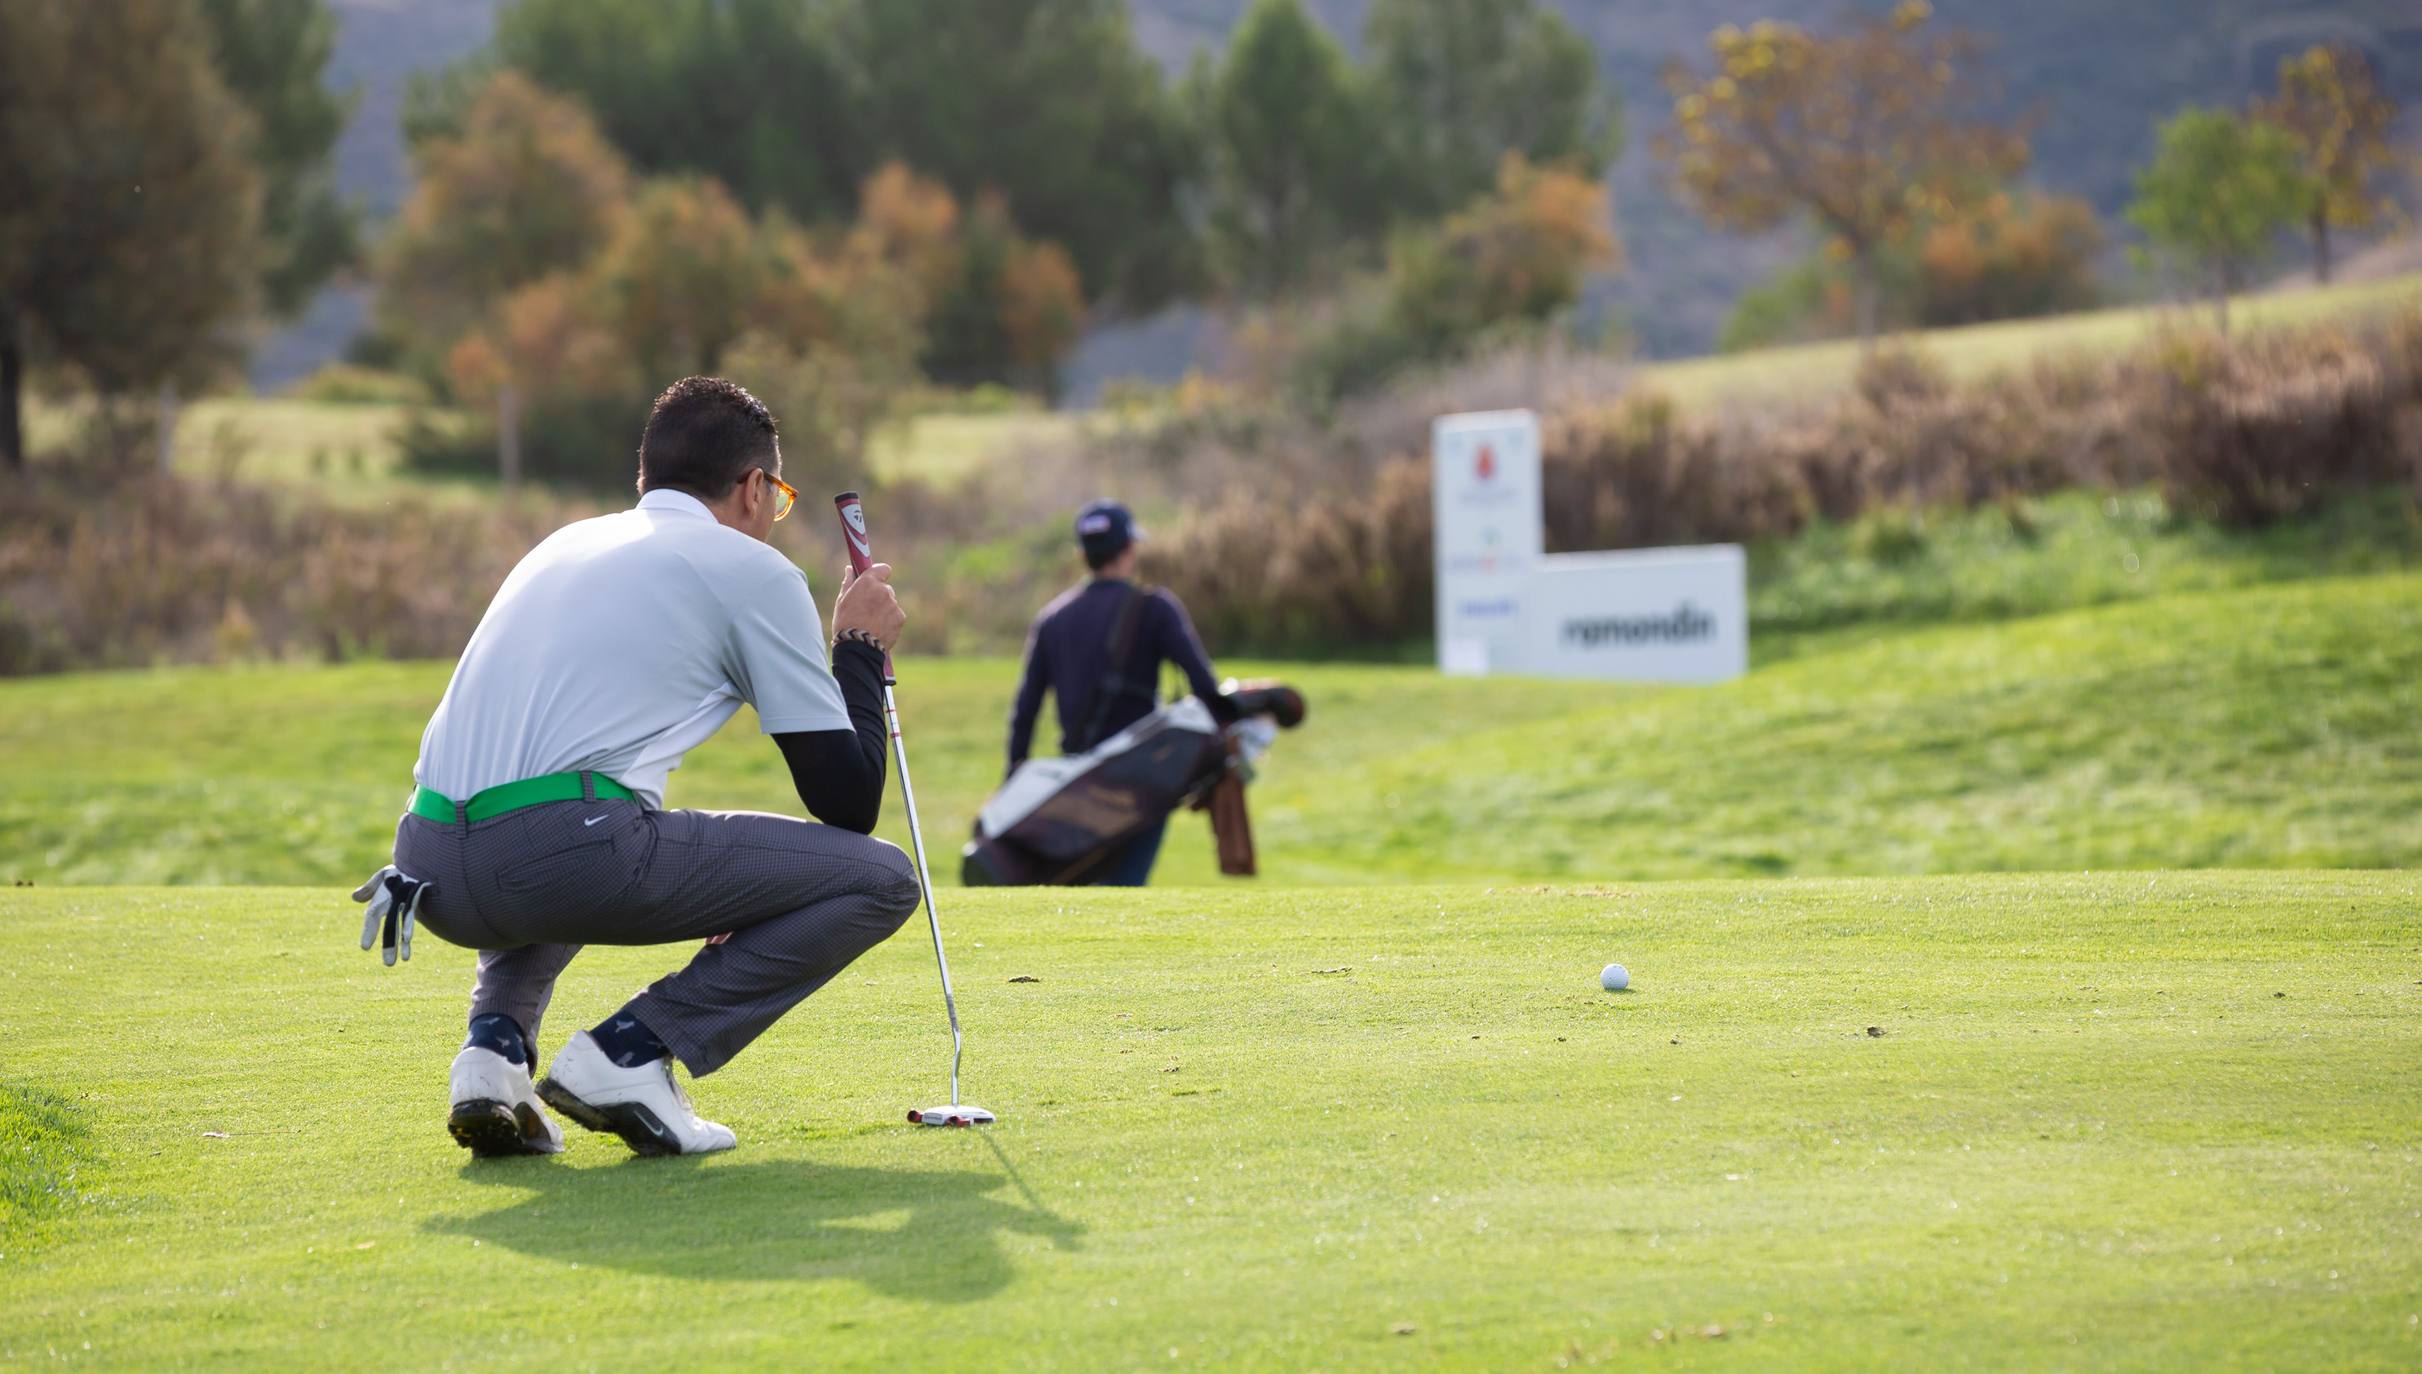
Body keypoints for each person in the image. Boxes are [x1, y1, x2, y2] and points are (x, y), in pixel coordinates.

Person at [363, 376, 923, 1160]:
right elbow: (848, 801)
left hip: (425, 867)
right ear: (756, 487)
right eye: (780, 497)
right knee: (882, 877)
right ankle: (629, 1052)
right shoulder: (753, 571)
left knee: (565, 811)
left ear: (648, 477)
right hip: (561, 854)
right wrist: (859, 651)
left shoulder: (560, 544)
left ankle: (493, 1053)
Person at [1005, 499, 1230, 886]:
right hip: (1144, 776)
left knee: (1081, 888)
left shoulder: (1052, 618)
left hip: (1078, 779)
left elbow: (1025, 711)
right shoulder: (1156, 608)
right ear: (1130, 548)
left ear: (1083, 554)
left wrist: (1014, 781)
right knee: (1126, 888)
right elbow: (1204, 686)